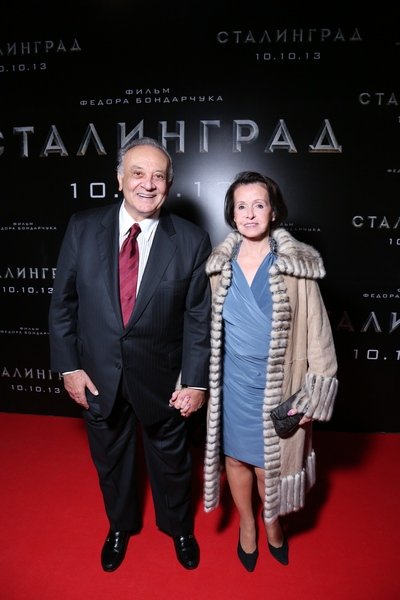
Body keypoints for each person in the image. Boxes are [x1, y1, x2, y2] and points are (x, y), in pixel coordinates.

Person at [48, 137, 211, 572]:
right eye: (137, 173)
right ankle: (120, 526)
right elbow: (63, 304)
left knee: (173, 464)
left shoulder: (192, 240)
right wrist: (69, 367)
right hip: (98, 376)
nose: (148, 184)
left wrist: (195, 381)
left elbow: (198, 318)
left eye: (158, 176)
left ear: (169, 184)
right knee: (111, 460)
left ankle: (179, 528)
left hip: (164, 380)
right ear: (119, 179)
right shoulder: (82, 228)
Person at [203, 171, 338, 571]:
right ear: (232, 214)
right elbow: (202, 331)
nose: (249, 214)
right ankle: (247, 524)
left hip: (280, 388)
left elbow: (319, 334)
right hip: (233, 385)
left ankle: (271, 521)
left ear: (273, 211)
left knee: (268, 469)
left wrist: (315, 394)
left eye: (258, 205)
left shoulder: (296, 266)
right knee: (234, 461)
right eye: (241, 206)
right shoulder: (217, 267)